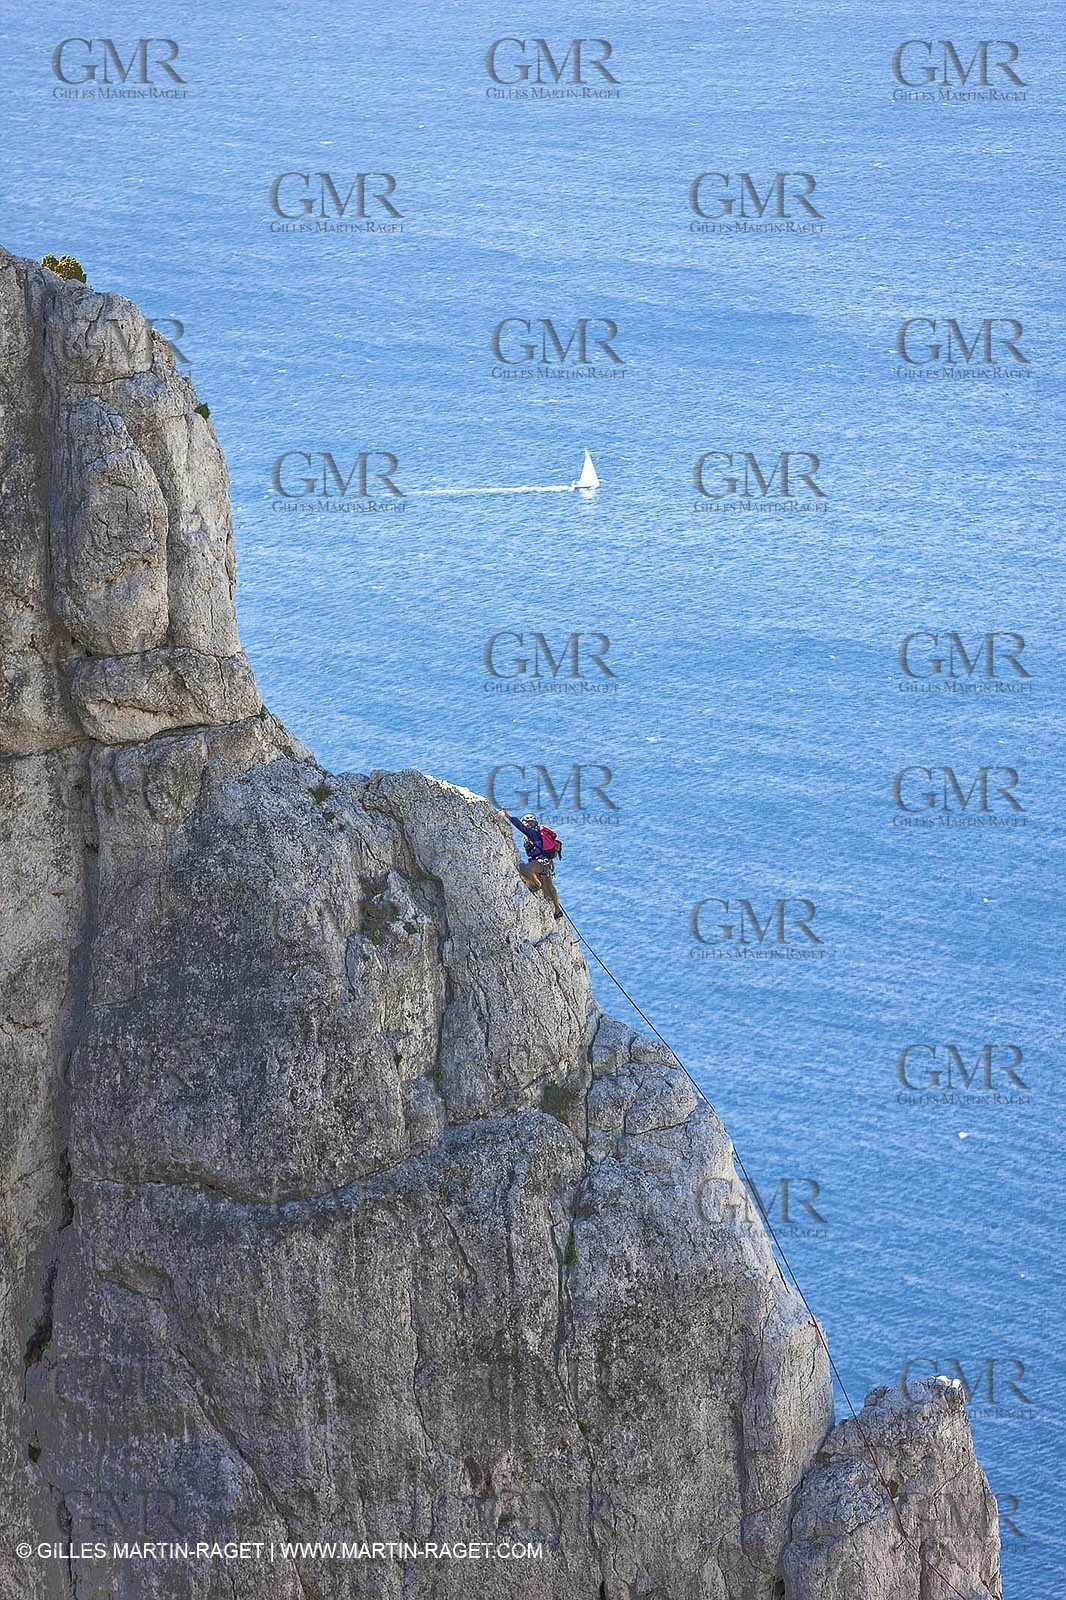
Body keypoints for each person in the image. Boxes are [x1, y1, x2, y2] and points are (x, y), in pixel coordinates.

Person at [501, 809, 564, 920]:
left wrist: (508, 816)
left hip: (540, 864)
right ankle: (557, 909)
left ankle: (536, 884)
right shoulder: (535, 835)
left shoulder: (533, 833)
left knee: (523, 868)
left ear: (529, 823)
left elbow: (520, 827)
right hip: (547, 864)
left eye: (525, 823)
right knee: (549, 889)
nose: (525, 825)